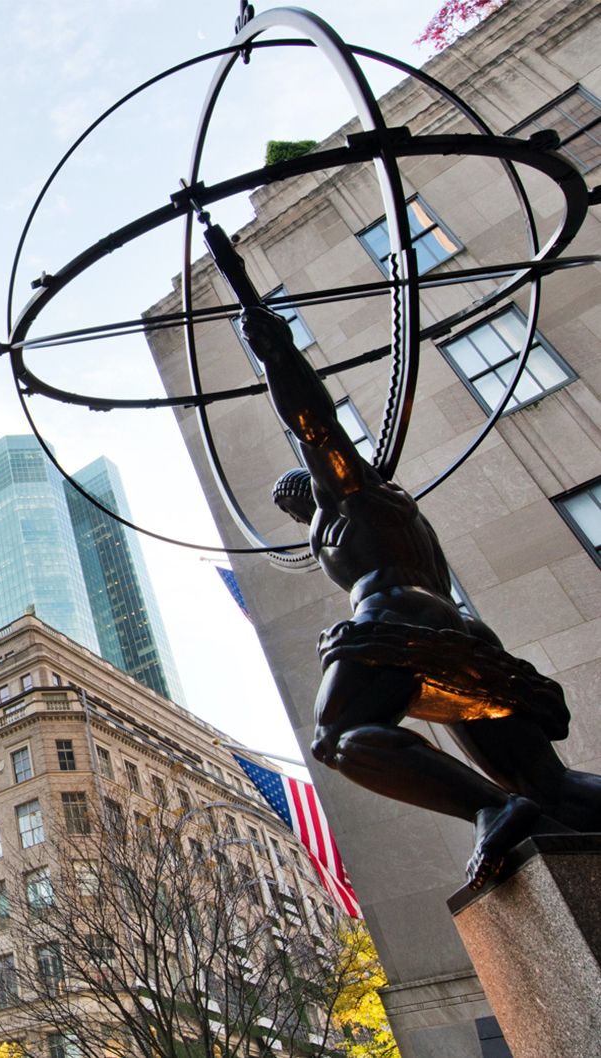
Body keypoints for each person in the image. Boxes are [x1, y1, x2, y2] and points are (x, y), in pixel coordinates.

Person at [242, 305, 601, 889]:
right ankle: (515, 805)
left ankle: (491, 808)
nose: (296, 515)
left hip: (396, 619)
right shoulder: (389, 512)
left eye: (294, 501)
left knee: (337, 739)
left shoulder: (349, 495)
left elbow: (315, 426)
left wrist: (278, 356)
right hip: (458, 629)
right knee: (550, 788)